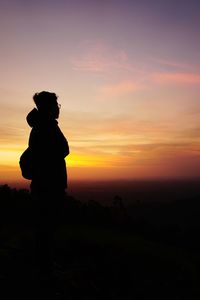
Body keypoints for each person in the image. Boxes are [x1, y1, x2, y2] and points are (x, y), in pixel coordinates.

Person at [26, 91, 69, 280]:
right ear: (48, 107)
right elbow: (63, 149)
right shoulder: (47, 127)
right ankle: (45, 272)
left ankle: (44, 267)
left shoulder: (41, 126)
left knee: (44, 228)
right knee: (46, 228)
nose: (58, 109)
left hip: (44, 184)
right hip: (48, 185)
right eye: (56, 105)